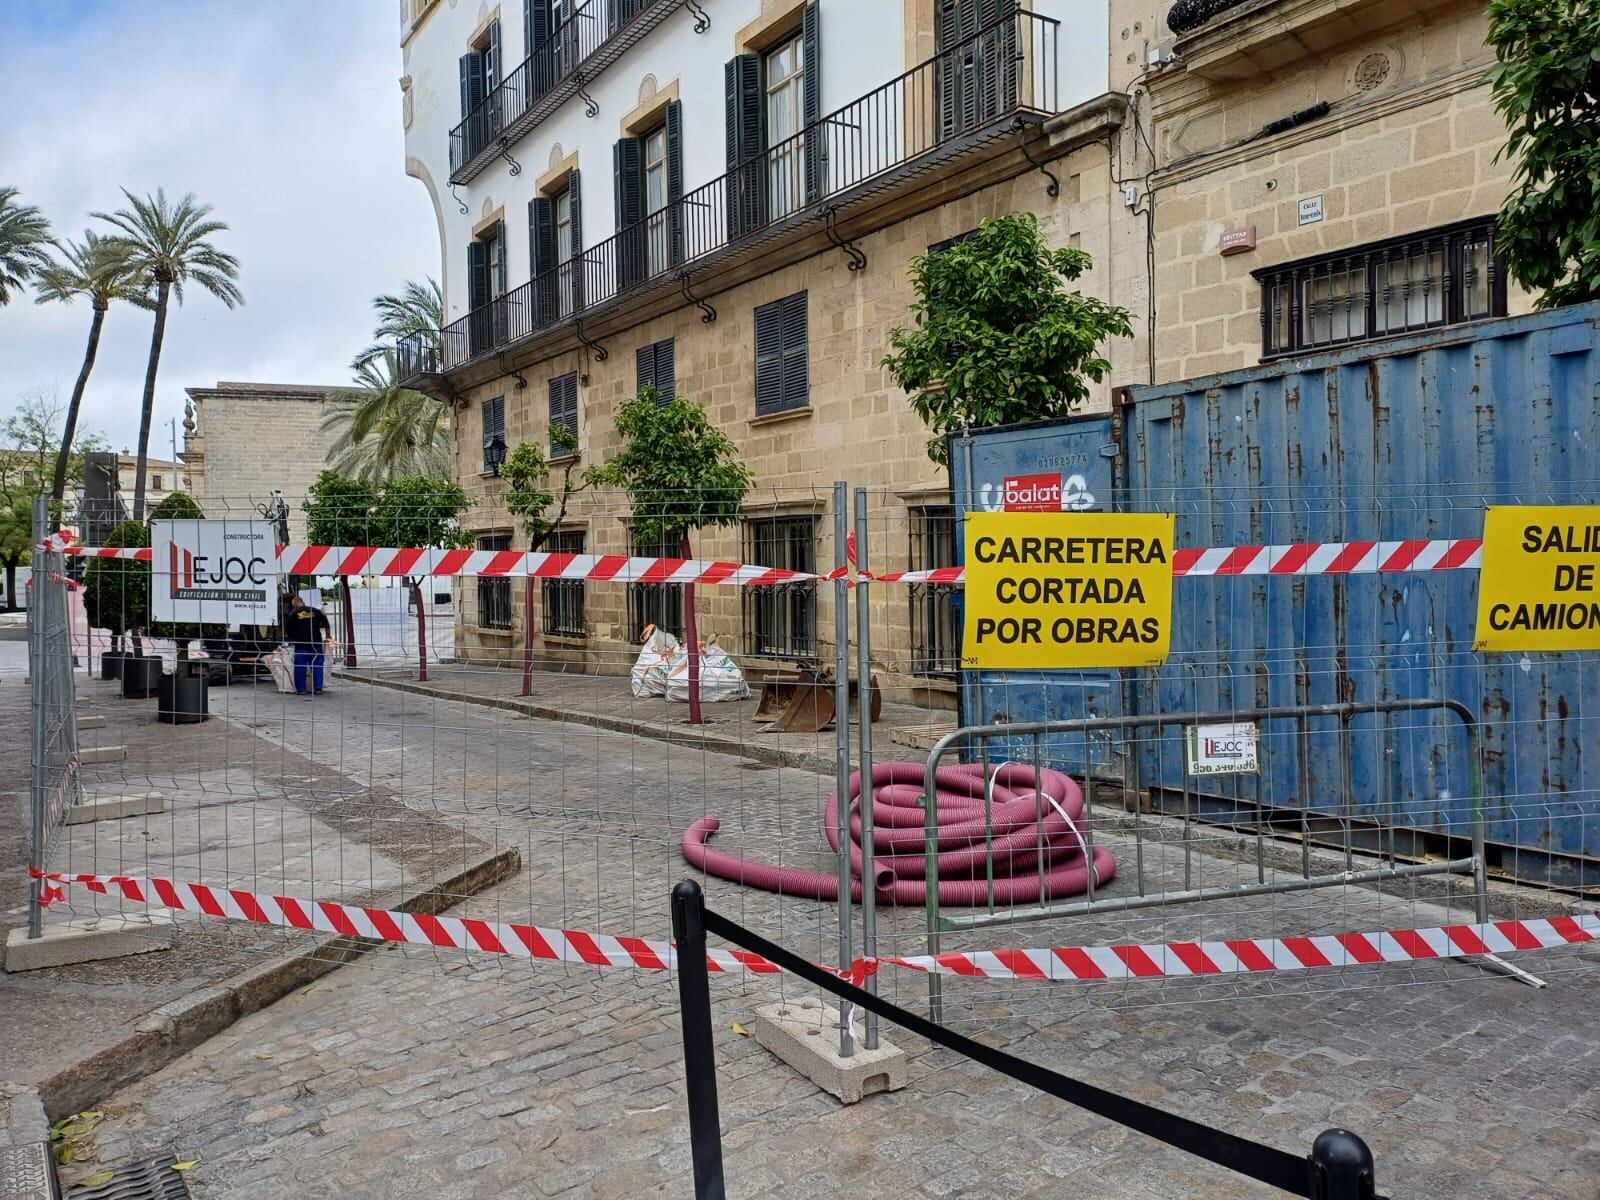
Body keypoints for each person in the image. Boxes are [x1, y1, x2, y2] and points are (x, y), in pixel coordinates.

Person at [286, 594, 332, 697]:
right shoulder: (315, 611)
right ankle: (318, 689)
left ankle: (301, 690)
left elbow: (288, 631)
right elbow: (326, 624)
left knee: (300, 668)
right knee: (317, 666)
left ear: (294, 605)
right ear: (303, 601)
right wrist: (328, 635)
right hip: (316, 645)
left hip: (301, 646)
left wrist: (294, 638)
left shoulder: (293, 614)